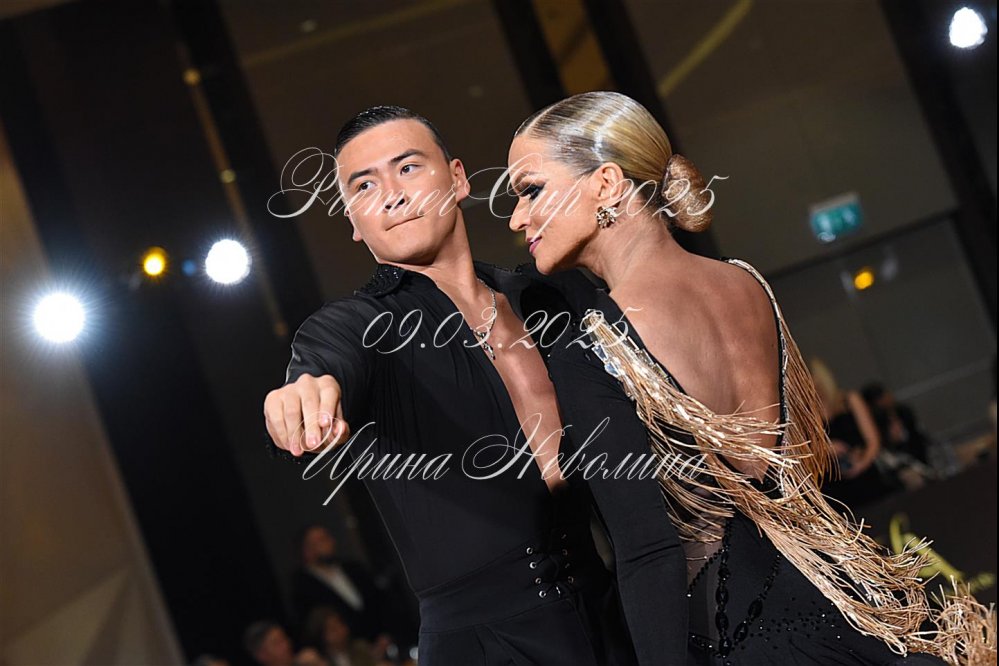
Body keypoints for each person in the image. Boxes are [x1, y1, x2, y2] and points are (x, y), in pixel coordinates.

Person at [505, 90, 994, 665]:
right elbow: (792, 472)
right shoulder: (746, 284)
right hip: (833, 603)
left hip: (730, 635)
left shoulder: (597, 343)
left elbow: (648, 552)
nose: (517, 218)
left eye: (530, 190)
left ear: (607, 184)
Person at [264, 106, 669, 664]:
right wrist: (300, 395)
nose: (392, 195)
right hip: (481, 648)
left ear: (457, 179)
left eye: (407, 168)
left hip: (611, 620)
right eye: (364, 185)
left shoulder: (547, 296)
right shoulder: (353, 326)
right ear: (353, 220)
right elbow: (322, 365)